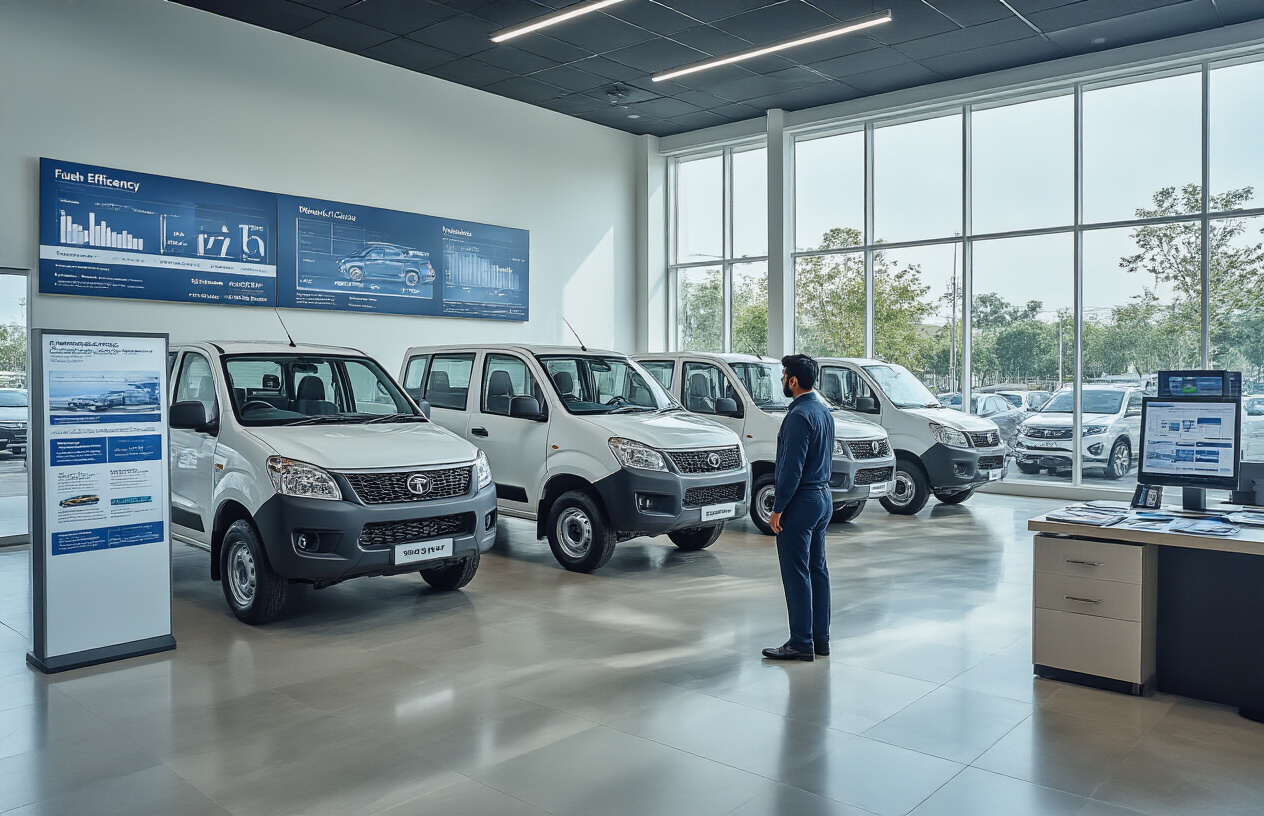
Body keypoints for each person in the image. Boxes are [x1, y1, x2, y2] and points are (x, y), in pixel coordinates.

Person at [762, 353, 835, 662]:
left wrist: (778, 508)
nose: (782, 382)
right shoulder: (823, 411)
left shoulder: (798, 416)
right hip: (822, 498)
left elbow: (792, 468)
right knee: (817, 570)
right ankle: (821, 640)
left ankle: (800, 642)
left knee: (796, 573)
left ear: (792, 381)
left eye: (783, 377)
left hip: (801, 502)